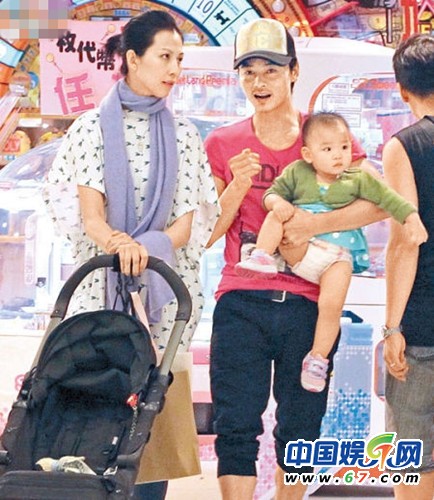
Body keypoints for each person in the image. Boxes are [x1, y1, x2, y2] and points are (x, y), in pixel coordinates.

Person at [204, 17, 390, 500]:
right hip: (240, 300)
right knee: (235, 427)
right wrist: (237, 186)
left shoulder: (324, 136)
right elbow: (207, 233)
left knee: (302, 429)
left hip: (308, 305)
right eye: (248, 72)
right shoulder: (222, 143)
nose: (259, 82)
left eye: (271, 70)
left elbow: (378, 202)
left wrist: (312, 226)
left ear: (293, 72)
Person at [44, 10, 219, 499]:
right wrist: (119, 246)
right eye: (165, 57)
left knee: (153, 419)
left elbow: (187, 223)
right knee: (93, 411)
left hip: (162, 299)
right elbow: (91, 216)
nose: (174, 69)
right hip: (100, 292)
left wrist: (146, 249)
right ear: (133, 59)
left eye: (179, 59)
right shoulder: (89, 129)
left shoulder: (185, 134)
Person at [235, 112, 426, 393]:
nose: (338, 155)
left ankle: (317, 358)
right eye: (327, 149)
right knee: (278, 215)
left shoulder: (358, 178)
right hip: (300, 248)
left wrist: (411, 219)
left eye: (345, 147)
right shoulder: (297, 172)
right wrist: (277, 203)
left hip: (336, 258)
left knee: (331, 305)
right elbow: (270, 194)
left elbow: (391, 199)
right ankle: (262, 255)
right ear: (308, 154)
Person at [382, 33, 434, 500]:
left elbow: (405, 243)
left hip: (423, 326)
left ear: (402, 90)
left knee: (413, 459)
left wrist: (392, 327)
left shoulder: (406, 146)